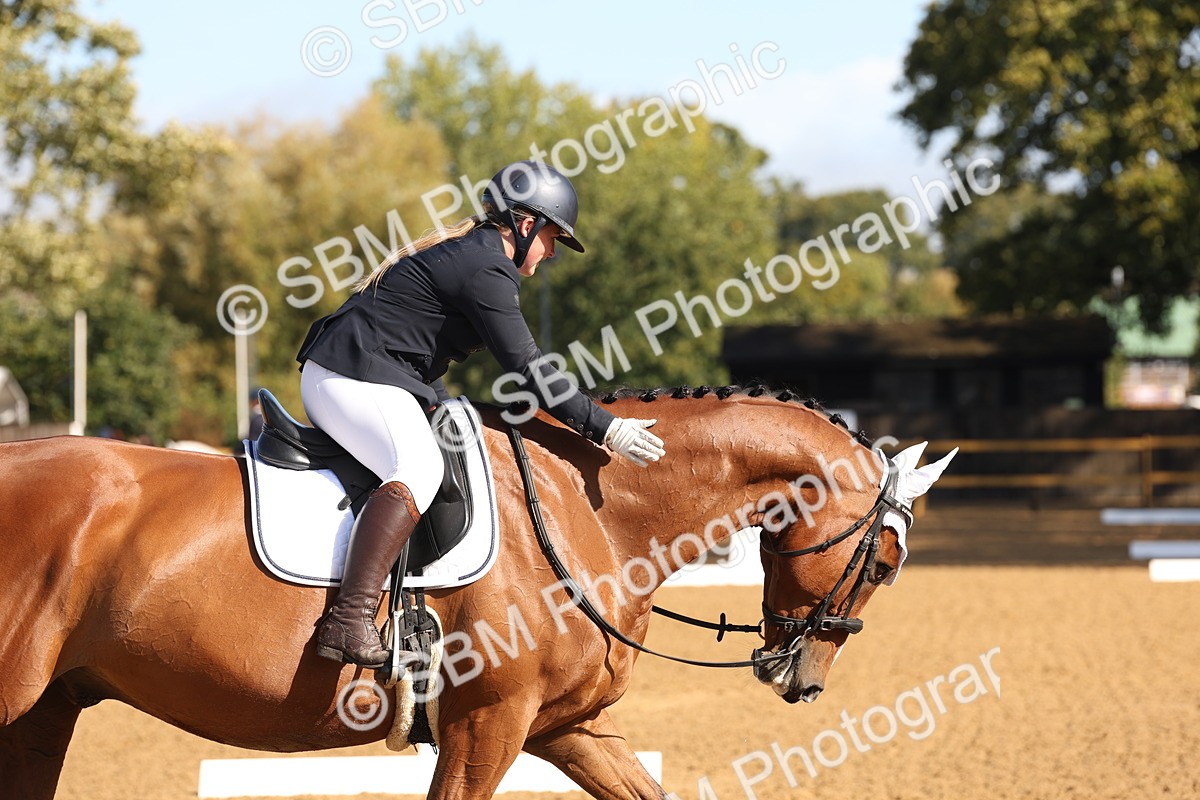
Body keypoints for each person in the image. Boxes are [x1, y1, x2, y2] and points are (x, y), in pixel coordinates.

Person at [295, 160, 667, 668]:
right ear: (526, 223)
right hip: (347, 375)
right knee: (419, 469)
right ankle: (348, 619)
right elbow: (531, 371)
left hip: (372, 373)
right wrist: (607, 427)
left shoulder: (479, 256)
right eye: (553, 237)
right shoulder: (488, 268)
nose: (553, 252)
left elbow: (418, 354)